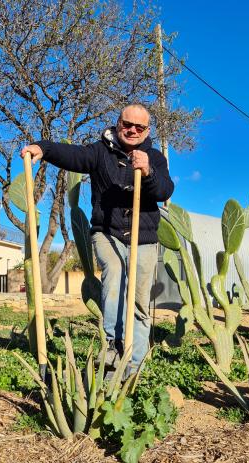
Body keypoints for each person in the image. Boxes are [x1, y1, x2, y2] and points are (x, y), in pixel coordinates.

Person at [21, 104, 174, 371]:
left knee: (138, 299)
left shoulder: (155, 156)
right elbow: (74, 156)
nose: (132, 130)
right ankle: (115, 348)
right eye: (127, 124)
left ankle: (134, 364)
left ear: (147, 130)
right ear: (118, 123)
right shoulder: (100, 151)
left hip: (144, 237)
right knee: (114, 273)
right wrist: (43, 148)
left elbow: (164, 189)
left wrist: (148, 172)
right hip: (108, 232)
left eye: (139, 127)